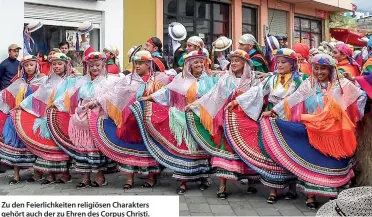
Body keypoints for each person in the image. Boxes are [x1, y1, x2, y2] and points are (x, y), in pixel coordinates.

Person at [265, 53, 365, 209]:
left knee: (331, 164)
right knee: (312, 161)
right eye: (316, 68)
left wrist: (356, 90)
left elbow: (359, 97)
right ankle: (311, 196)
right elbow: (293, 98)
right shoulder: (308, 84)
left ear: (330, 69)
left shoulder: (341, 84)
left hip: (333, 133)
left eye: (323, 69)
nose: (319, 72)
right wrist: (274, 112)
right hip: (312, 129)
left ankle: (332, 195)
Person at [86, 50, 172, 191]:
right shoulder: (128, 79)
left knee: (148, 148)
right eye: (135, 63)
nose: (137, 66)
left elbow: (167, 95)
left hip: (148, 122)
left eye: (140, 64)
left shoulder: (158, 80)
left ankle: (151, 177)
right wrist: (96, 101)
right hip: (130, 120)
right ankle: (129, 178)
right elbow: (113, 93)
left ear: (148, 64)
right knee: (129, 148)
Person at [229, 48, 305, 204]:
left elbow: (297, 99)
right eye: (278, 62)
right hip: (269, 118)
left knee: (289, 151)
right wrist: (238, 101)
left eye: (284, 62)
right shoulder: (272, 79)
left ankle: (291, 187)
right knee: (270, 152)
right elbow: (257, 91)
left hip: (288, 119)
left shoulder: (299, 80)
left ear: (292, 64)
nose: (280, 65)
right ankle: (273, 190)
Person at [135, 50, 215, 195]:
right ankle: (183, 181)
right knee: (184, 149)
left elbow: (211, 97)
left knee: (200, 150)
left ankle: (203, 177)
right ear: (189, 65)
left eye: (200, 62)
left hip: (200, 119)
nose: (199, 65)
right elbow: (167, 91)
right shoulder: (180, 78)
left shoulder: (208, 80)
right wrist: (149, 98)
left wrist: (197, 105)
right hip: (181, 119)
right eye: (195, 62)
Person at [187, 49, 261, 199]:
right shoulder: (225, 79)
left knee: (249, 148)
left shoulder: (254, 80)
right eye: (232, 60)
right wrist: (196, 105)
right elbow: (212, 95)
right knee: (224, 149)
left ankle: (251, 181)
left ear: (245, 64)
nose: (233, 63)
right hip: (227, 121)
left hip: (247, 120)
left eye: (237, 61)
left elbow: (257, 97)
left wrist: (239, 101)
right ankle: (222, 186)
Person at [48, 52, 119, 189]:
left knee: (95, 148)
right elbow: (68, 94)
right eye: (91, 65)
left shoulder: (109, 81)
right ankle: (85, 177)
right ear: (87, 66)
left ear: (103, 65)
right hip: (80, 117)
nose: (95, 68)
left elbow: (113, 96)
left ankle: (100, 176)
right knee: (81, 148)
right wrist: (56, 104)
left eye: (97, 65)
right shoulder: (81, 81)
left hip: (97, 118)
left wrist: (97, 102)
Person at [12, 53, 73, 185]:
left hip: (63, 117)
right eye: (54, 64)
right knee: (47, 145)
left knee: (60, 147)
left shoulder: (71, 80)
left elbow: (70, 96)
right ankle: (51, 174)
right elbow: (37, 96)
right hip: (46, 117)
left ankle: (65, 174)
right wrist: (22, 105)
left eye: (59, 64)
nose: (56, 66)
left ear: (65, 65)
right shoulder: (47, 80)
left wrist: (56, 105)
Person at [0, 55, 47, 185]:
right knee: (15, 144)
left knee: (33, 145)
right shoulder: (19, 81)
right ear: (23, 67)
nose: (29, 67)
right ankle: (16, 175)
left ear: (36, 65)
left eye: (31, 64)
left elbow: (44, 97)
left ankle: (37, 173)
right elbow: (6, 95)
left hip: (33, 116)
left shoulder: (43, 80)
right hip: (17, 116)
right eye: (26, 65)